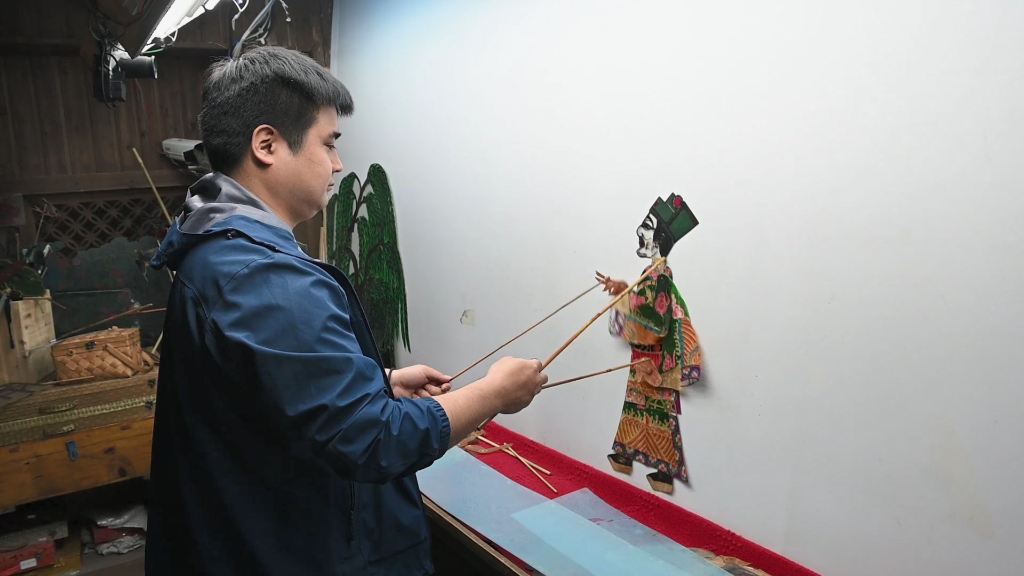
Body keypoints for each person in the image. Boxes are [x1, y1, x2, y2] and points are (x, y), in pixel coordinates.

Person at [145, 46, 547, 576]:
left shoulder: (221, 250)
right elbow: (375, 440)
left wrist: (380, 381)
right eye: (328, 143)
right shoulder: (264, 277)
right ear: (267, 145)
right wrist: (495, 394)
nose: (337, 163)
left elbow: (263, 387)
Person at [597, 194, 701, 495]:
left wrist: (625, 299)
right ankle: (626, 454)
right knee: (635, 409)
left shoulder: (661, 278)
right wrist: (623, 292)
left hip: (655, 361)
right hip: (644, 358)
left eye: (646, 226)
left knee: (658, 415)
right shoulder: (651, 275)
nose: (639, 231)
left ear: (659, 239)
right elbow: (641, 302)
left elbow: (658, 321)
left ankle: (663, 473)